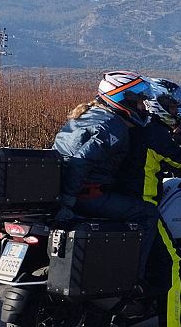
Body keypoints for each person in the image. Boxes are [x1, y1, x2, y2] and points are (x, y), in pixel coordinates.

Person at [114, 79, 181, 326]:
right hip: (142, 202)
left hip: (116, 200)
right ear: (156, 104)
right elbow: (179, 158)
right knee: (172, 265)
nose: (176, 112)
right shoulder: (152, 131)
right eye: (171, 106)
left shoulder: (134, 125)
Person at [52, 71, 158, 284]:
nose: (142, 107)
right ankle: (135, 278)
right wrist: (67, 203)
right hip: (85, 195)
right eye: (138, 101)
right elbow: (81, 161)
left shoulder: (86, 114)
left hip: (58, 188)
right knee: (148, 213)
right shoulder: (113, 126)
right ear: (122, 98)